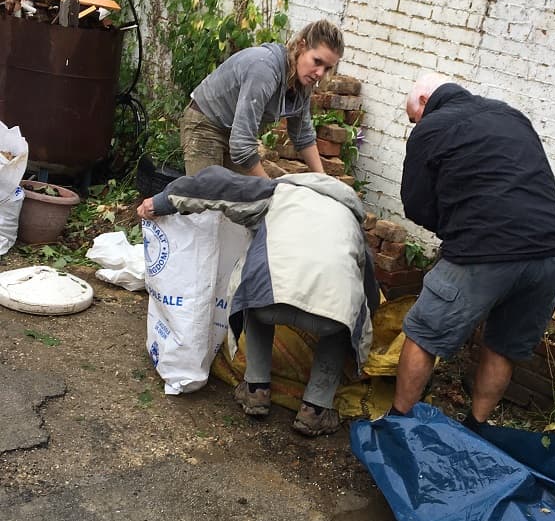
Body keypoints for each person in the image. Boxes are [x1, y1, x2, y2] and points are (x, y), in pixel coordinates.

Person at [391, 73, 555, 430]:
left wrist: (454, 230)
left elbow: (415, 205)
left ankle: (397, 426)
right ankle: (475, 428)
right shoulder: (510, 115)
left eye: (413, 117)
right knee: (503, 345)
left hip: (486, 248)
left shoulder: (430, 129)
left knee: (424, 332)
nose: (415, 124)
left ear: (425, 101)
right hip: (552, 251)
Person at [137, 166, 379, 436]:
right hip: (329, 316)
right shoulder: (351, 221)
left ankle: (256, 390)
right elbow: (368, 292)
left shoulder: (278, 192)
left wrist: (161, 202)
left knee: (255, 296)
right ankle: (316, 410)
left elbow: (217, 185)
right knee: (341, 318)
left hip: (267, 302)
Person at [180, 19, 344, 177]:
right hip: (206, 125)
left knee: (251, 198)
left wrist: (323, 180)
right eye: (317, 61)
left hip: (235, 133)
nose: (320, 73)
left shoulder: (302, 82)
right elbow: (242, 146)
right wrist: (270, 188)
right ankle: (156, 204)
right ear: (301, 46)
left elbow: (303, 135)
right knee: (204, 199)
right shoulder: (265, 69)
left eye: (327, 68)